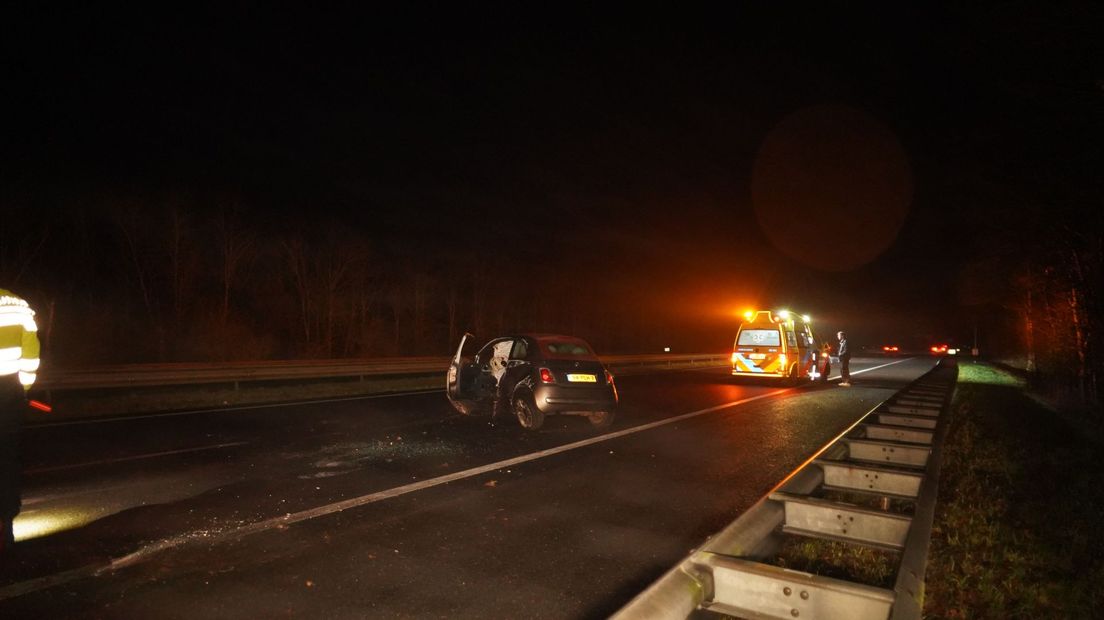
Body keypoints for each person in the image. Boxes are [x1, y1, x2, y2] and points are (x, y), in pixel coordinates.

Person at [0, 288, 41, 552]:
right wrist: (22, 389)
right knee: (6, 458)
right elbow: (31, 355)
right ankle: (4, 526)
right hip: (9, 393)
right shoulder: (18, 304)